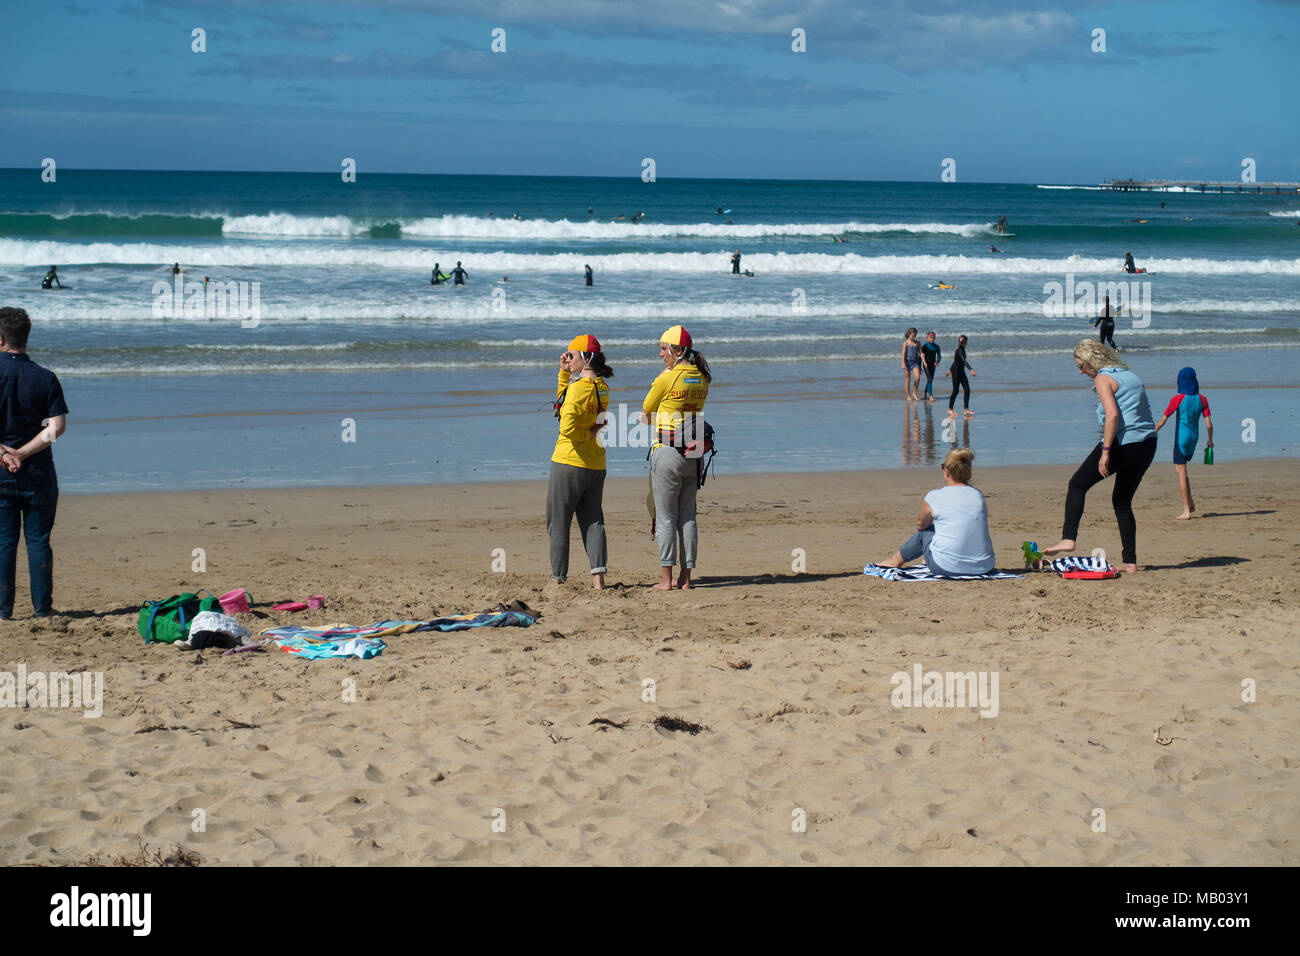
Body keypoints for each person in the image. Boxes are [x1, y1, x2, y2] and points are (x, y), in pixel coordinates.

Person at [1040, 340, 1157, 573]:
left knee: (1077, 484)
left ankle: (1068, 538)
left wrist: (1105, 452)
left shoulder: (1102, 378)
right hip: (1148, 444)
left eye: (1082, 366)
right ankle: (1130, 561)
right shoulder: (1130, 375)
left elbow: (1112, 414)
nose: (1081, 371)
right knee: (1122, 502)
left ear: (1092, 361)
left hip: (1124, 442)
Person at [0, 307, 69, 619]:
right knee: (39, 541)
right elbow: (56, 428)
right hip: (38, 472)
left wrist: (5, 455)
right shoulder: (45, 377)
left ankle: (3, 610)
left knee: (4, 542)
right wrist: (22, 453)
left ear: (0, 339)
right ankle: (43, 609)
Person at [639, 326, 711, 590]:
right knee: (688, 516)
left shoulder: (666, 378)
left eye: (663, 348)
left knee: (666, 516)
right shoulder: (701, 378)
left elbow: (646, 411)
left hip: (668, 452)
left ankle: (666, 580)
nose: (660, 354)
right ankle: (686, 578)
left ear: (677, 350)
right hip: (693, 452)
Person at [547, 334, 613, 589]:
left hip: (569, 462)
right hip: (595, 464)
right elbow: (564, 404)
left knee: (558, 520)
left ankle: (558, 578)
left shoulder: (578, 388)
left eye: (571, 355)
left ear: (586, 358)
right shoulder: (603, 387)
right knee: (593, 519)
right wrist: (564, 373)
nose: (567, 358)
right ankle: (599, 580)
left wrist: (586, 434)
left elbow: (566, 425)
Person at [876, 449, 995, 576]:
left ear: (947, 471)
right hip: (984, 566)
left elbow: (920, 525)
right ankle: (929, 556)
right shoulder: (978, 496)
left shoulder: (935, 496)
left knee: (926, 531)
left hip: (947, 567)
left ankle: (895, 561)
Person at [1153, 367, 1213, 519]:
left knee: (1180, 472)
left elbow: (1163, 420)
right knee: (1183, 470)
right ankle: (1191, 503)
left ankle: (1186, 511)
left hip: (1181, 439)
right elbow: (1208, 424)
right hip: (1194, 438)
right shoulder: (1202, 399)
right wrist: (1210, 441)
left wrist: (1151, 432)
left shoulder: (1178, 399)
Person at [944, 334, 975, 417]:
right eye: (966, 341)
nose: (967, 343)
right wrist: (971, 369)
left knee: (967, 389)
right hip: (956, 373)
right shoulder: (959, 351)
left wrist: (949, 370)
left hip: (961, 372)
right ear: (964, 342)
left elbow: (956, 361)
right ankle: (950, 409)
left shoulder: (962, 349)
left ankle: (966, 409)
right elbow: (963, 361)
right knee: (955, 391)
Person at [901, 328, 922, 401]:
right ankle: (908, 396)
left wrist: (923, 358)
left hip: (915, 363)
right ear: (909, 334)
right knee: (908, 379)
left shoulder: (917, 343)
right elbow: (903, 354)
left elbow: (920, 352)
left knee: (917, 377)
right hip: (907, 363)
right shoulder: (905, 343)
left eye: (915, 336)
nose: (914, 337)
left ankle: (914, 393)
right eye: (913, 336)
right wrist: (903, 363)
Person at [920, 331, 941, 402]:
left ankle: (924, 392)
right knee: (929, 379)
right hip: (926, 365)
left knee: (930, 379)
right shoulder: (924, 347)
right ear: (927, 338)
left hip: (933, 365)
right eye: (930, 338)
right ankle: (931, 395)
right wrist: (921, 365)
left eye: (933, 338)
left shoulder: (936, 347)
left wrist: (937, 361)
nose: (932, 339)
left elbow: (939, 356)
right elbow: (921, 356)